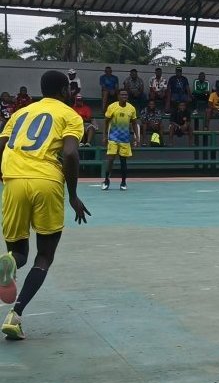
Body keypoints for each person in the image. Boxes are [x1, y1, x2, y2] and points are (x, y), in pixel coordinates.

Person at [0, 70, 90, 340]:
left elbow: (3, 145)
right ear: (64, 90)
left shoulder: (20, 113)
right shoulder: (69, 115)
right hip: (46, 181)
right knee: (44, 255)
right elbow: (71, 153)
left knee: (19, 252)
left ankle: (9, 262)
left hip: (13, 180)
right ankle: (15, 316)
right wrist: (72, 194)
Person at [102, 89, 139, 191]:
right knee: (110, 160)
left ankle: (123, 182)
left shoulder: (131, 108)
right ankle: (106, 180)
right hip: (113, 138)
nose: (124, 96)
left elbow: (134, 123)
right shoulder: (112, 107)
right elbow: (106, 122)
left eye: (126, 95)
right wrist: (104, 136)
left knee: (123, 162)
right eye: (122, 94)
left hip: (125, 139)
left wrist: (137, 137)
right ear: (118, 96)